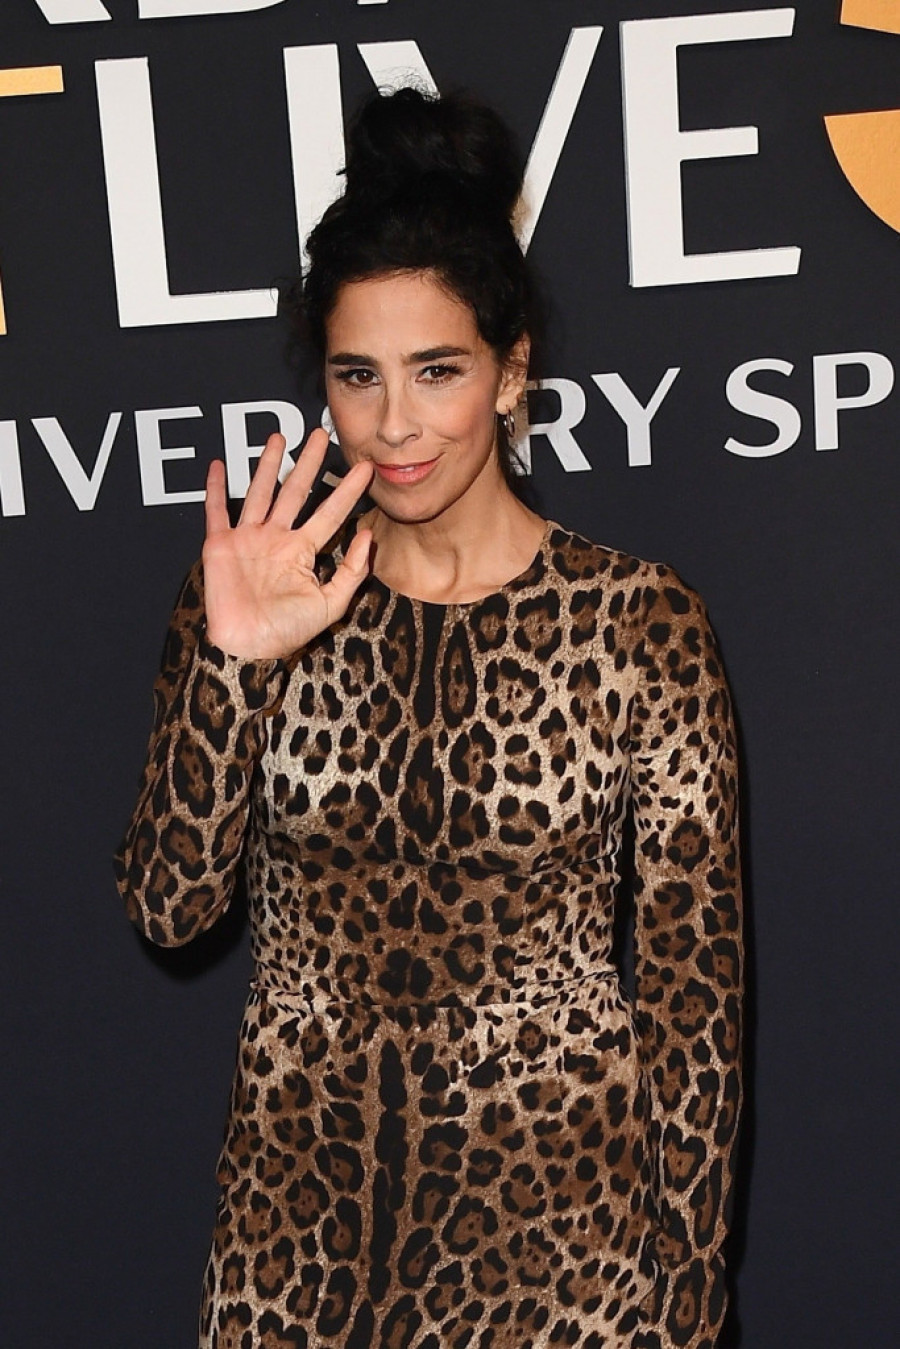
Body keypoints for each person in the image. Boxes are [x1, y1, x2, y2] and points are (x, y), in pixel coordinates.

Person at [115, 87, 742, 1349]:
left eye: (437, 370)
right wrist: (233, 666)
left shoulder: (639, 623)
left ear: (513, 371)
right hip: (290, 1261)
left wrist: (685, 1301)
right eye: (358, 376)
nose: (394, 424)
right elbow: (170, 908)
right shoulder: (263, 584)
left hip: (561, 1268)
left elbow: (695, 1003)